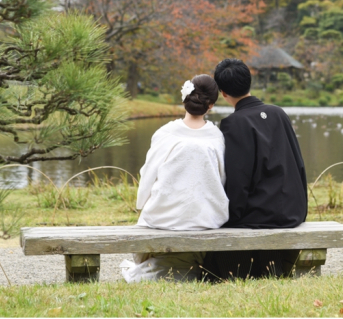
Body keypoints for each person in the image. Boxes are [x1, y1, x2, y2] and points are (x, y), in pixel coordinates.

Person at [201, 58, 308, 280]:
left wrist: (229, 215)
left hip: (262, 214)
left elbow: (239, 179)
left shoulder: (234, 122)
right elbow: (298, 163)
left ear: (223, 92)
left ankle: (222, 274)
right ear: (249, 82)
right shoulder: (279, 113)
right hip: (293, 210)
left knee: (214, 228)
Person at [120, 74, 227, 283]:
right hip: (207, 217)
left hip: (165, 216)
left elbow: (148, 172)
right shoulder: (216, 136)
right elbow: (221, 178)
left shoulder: (166, 132)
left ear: (184, 99)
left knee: (147, 216)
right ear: (211, 105)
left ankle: (154, 266)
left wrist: (142, 204)